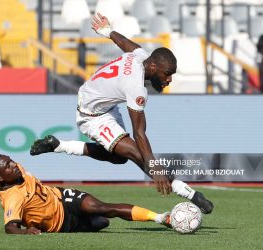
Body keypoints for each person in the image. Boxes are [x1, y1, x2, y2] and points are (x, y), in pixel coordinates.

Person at [30, 13, 213, 214]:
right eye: (167, 74)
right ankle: (191, 194)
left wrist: (107, 31)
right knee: (136, 154)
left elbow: (125, 43)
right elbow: (139, 133)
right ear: (153, 67)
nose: (169, 79)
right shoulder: (135, 87)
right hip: (92, 116)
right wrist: (155, 169)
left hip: (103, 105)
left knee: (119, 157)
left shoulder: (141, 56)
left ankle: (59, 145)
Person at [0, 153, 173, 234]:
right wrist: (25, 232)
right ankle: (90, 220)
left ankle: (160, 217)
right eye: (7, 165)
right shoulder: (13, 198)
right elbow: (10, 228)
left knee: (102, 208)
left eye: (10, 160)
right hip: (61, 224)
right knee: (101, 222)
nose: (14, 164)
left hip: (63, 197)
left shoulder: (16, 170)